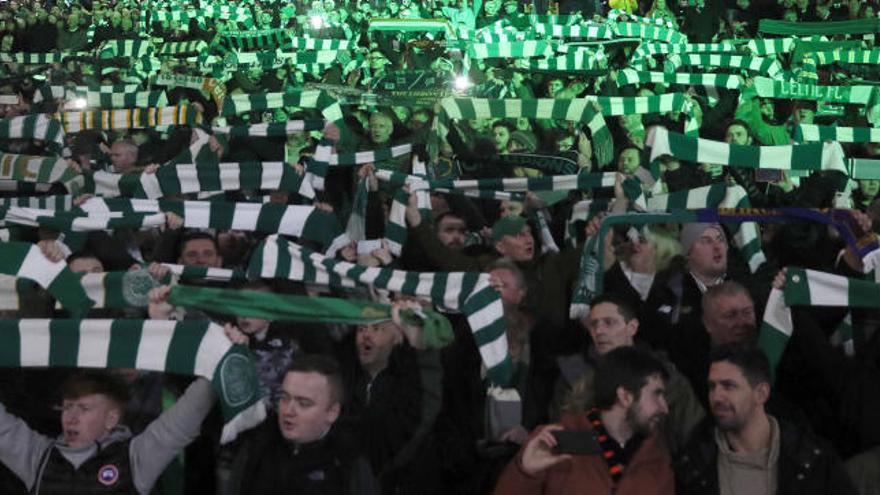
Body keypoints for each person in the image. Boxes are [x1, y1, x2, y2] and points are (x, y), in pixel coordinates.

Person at [675, 344, 858, 495]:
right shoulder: (693, 464)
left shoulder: (814, 460)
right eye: (712, 387)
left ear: (761, 393)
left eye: (728, 386)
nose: (716, 397)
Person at [0, 370, 215, 494]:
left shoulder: (134, 459)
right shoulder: (39, 458)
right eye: (67, 407)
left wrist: (222, 361)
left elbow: (185, 418)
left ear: (111, 418)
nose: (70, 417)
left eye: (83, 408)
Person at [494, 346, 674, 495]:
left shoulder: (656, 455)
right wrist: (525, 473)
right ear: (625, 396)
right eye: (656, 394)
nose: (664, 407)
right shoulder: (554, 440)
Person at [553, 294, 704, 454]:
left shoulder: (665, 376)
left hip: (654, 467)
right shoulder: (573, 374)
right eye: (593, 324)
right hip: (592, 467)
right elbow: (560, 433)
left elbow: (692, 434)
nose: (599, 331)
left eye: (609, 323)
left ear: (632, 327)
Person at [225, 354, 379, 494]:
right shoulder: (257, 446)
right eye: (284, 398)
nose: (288, 411)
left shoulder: (350, 463)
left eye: (304, 403)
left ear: (332, 412)